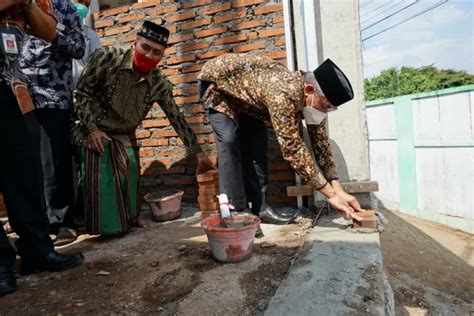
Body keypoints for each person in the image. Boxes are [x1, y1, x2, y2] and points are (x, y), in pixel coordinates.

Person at [71, 21, 214, 235]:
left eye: (156, 52)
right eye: (144, 47)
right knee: (102, 167)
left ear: (162, 56)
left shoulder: (159, 82)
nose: (148, 55)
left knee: (128, 167)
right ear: (135, 43)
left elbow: (176, 118)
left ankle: (131, 216)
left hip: (122, 134)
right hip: (90, 128)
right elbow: (81, 94)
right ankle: (107, 225)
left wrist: (198, 154)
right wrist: (92, 129)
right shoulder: (107, 57)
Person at [198, 54, 366, 223]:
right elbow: (293, 149)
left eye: (329, 109)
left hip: (248, 96)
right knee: (229, 140)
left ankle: (260, 208)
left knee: (257, 144)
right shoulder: (282, 93)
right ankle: (236, 211)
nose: (324, 112)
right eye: (324, 106)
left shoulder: (314, 99)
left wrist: (338, 189)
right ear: (308, 90)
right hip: (217, 85)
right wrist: (330, 195)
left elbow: (320, 144)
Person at [0, 0, 83, 297]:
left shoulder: (42, 5)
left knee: (25, 173)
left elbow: (49, 31)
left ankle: (37, 250)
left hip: (14, 87)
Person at [20, 0, 85, 246]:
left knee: (55, 162)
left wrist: (54, 36)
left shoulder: (64, 8)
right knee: (27, 163)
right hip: (18, 95)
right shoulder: (12, 9)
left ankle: (62, 222)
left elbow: (78, 47)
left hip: (52, 94)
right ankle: (36, 224)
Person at [72, 0, 100, 89]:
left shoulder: (91, 35)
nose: (83, 7)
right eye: (80, 1)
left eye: (87, 5)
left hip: (80, 90)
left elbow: (95, 65)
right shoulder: (52, 29)